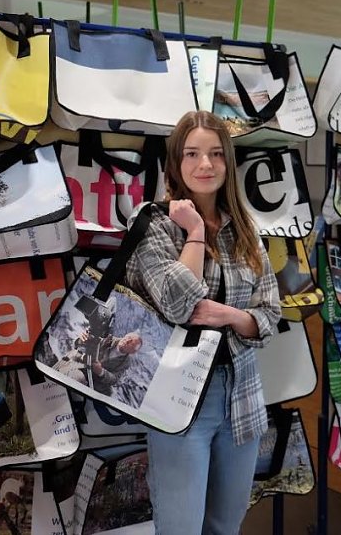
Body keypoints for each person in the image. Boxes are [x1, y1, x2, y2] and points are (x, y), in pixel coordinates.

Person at [123, 110, 281, 535]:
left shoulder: (244, 227)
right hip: (181, 399)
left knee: (225, 526)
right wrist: (194, 230)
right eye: (191, 154)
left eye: (215, 154)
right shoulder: (152, 222)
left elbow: (270, 315)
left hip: (243, 396)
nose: (205, 165)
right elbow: (179, 304)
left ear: (228, 163)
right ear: (175, 163)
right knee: (180, 529)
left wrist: (228, 314)